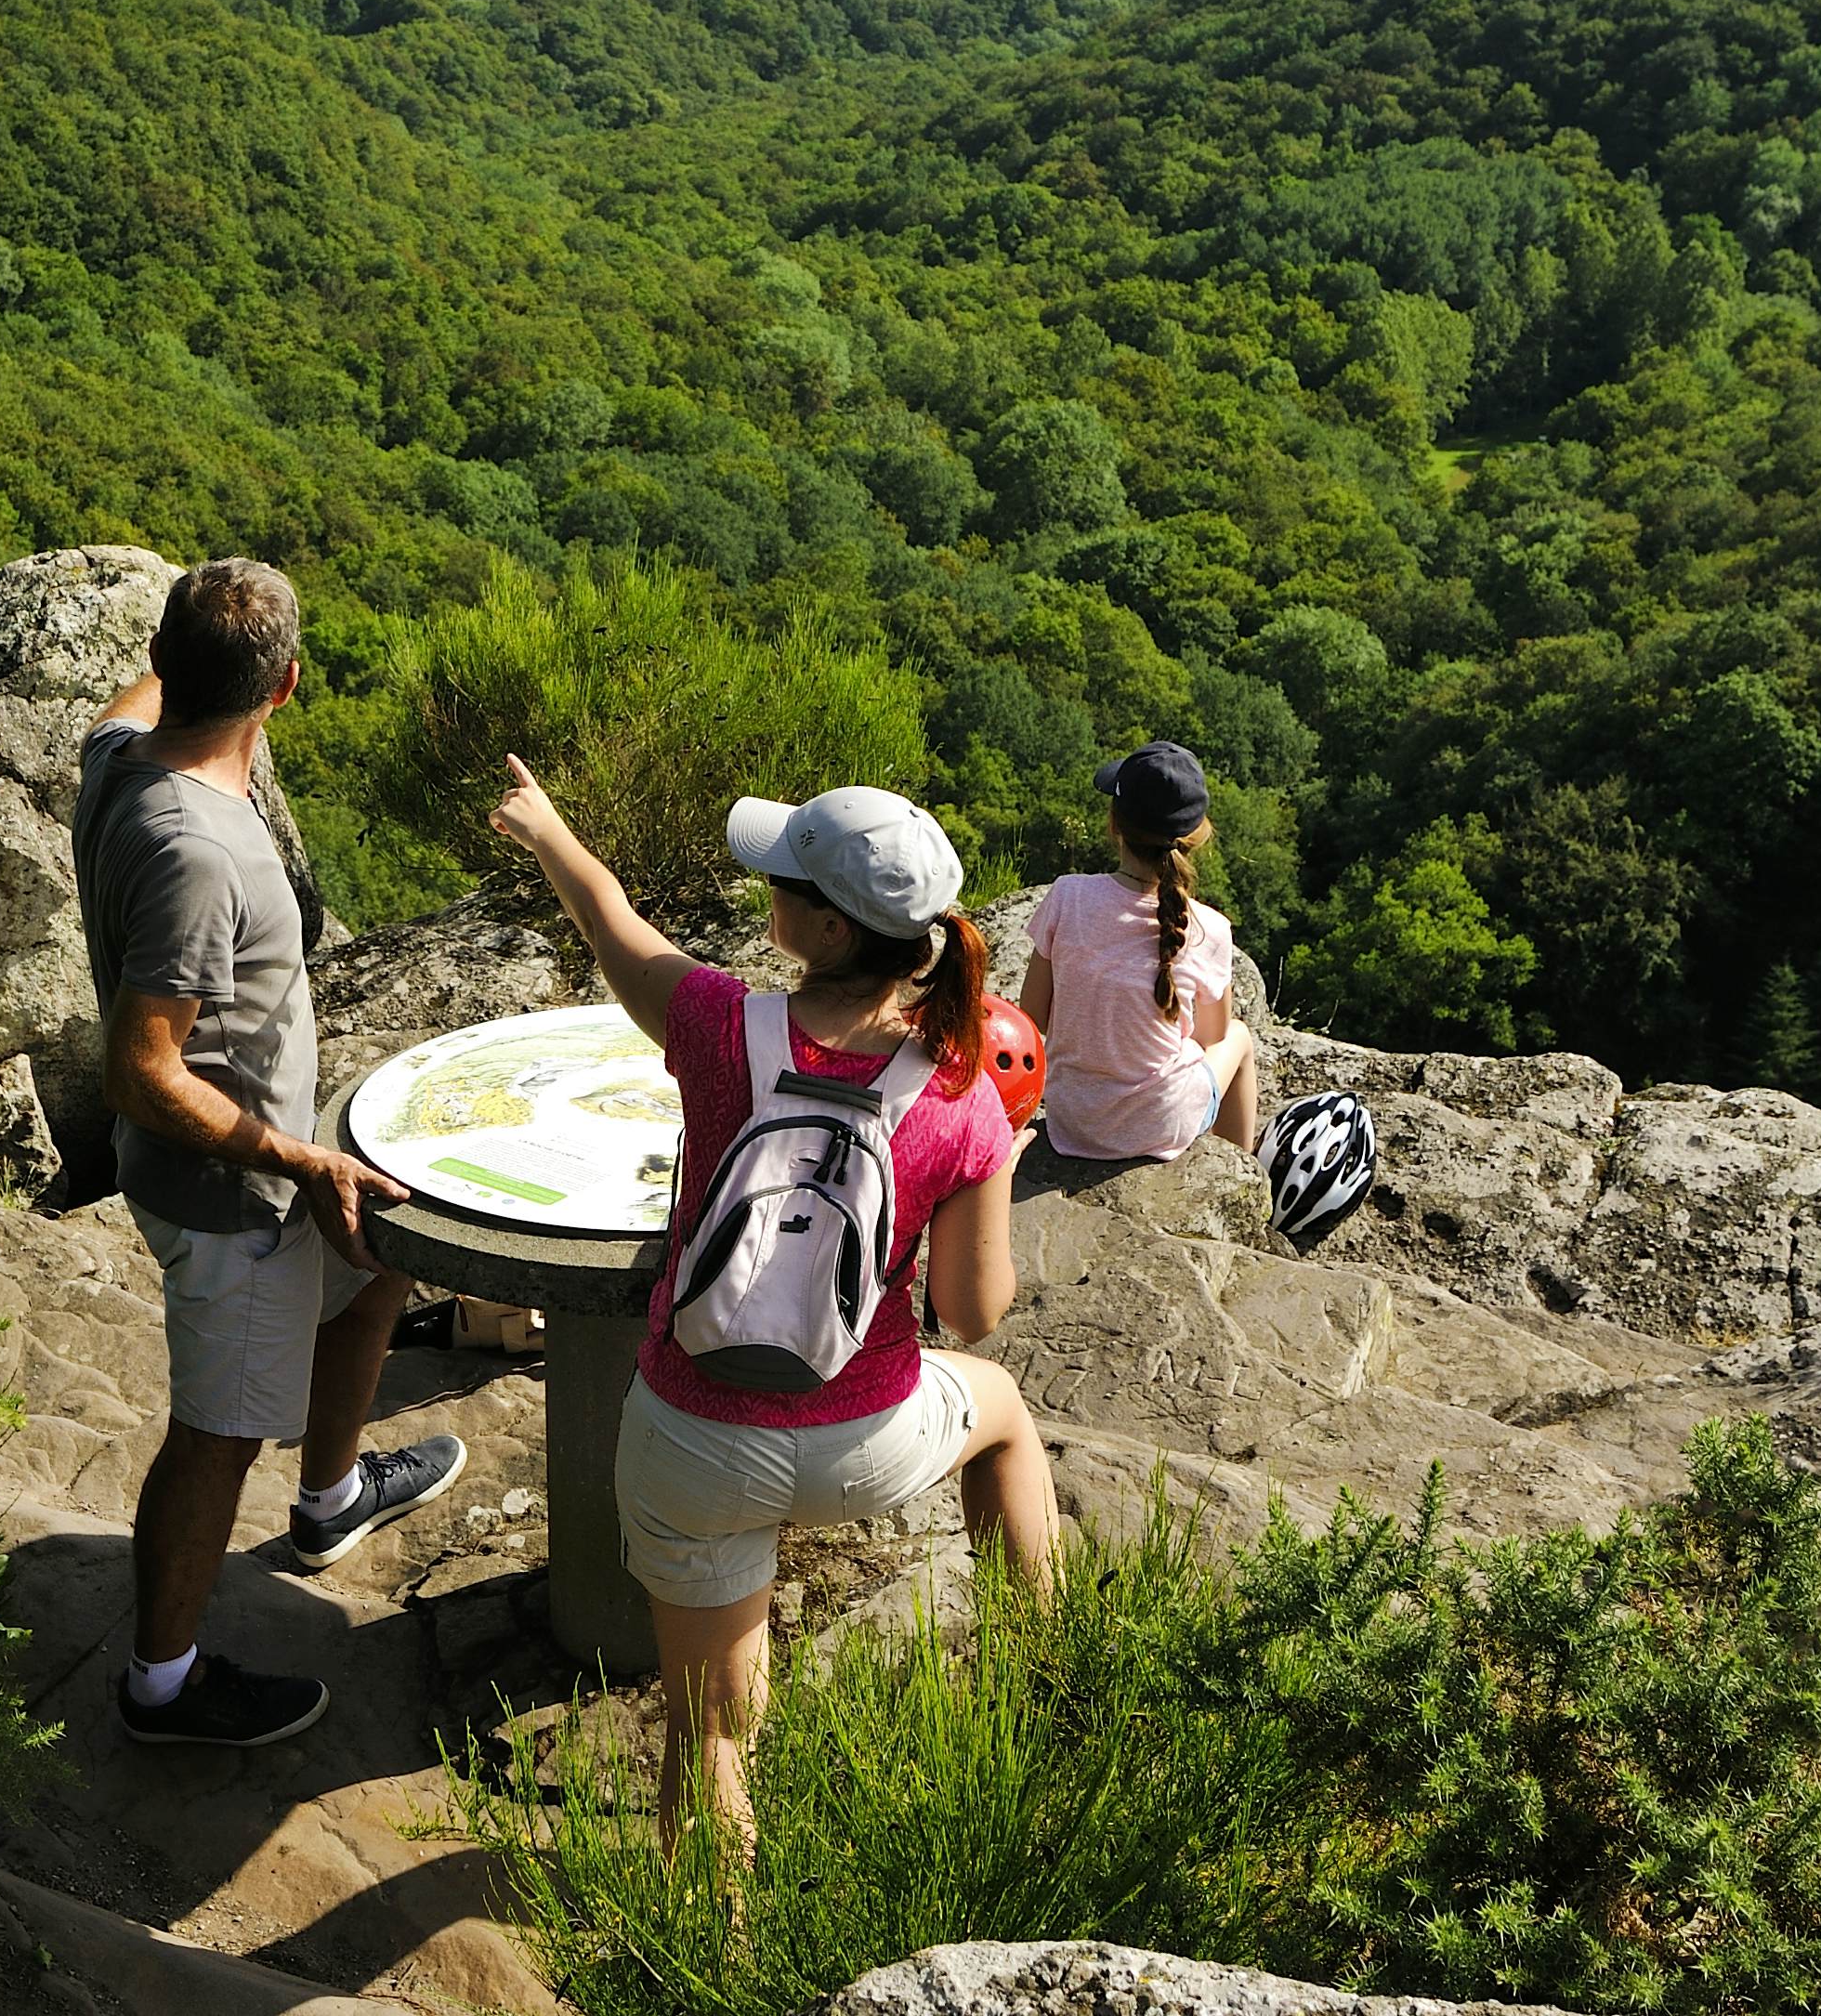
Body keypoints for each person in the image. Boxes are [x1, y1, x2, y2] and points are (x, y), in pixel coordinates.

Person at [489, 759, 1054, 1855]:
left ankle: (713, 1948)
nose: (768, 892)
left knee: (707, 1735)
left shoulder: (713, 1024)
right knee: (1001, 1413)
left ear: (824, 933)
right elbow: (972, 1312)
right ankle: (1044, 1684)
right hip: (865, 1440)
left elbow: (614, 925)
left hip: (692, 1439)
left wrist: (549, 831)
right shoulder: (961, 1093)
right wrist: (996, 1160)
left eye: (782, 880)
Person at [77, 558, 466, 1748]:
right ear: (287, 687)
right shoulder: (199, 853)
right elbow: (142, 1070)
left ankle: (331, 1502)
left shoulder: (114, 756)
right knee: (219, 1431)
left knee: (375, 1268)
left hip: (277, 1165)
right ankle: (161, 1684)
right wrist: (301, 1166)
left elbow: (130, 698)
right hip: (229, 1195)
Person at [1020, 740, 1261, 1164]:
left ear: (1114, 824)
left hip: (1072, 1120)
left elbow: (1033, 1015)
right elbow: (1212, 1037)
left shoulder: (1067, 896)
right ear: (1197, 835)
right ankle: (1238, 1166)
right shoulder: (1210, 930)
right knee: (1239, 1037)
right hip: (1160, 1124)